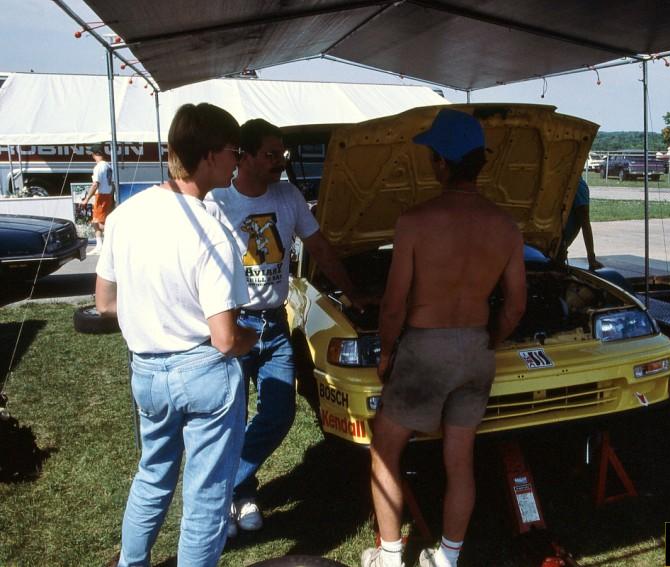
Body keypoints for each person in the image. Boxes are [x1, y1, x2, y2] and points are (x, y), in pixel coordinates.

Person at [95, 103, 258, 567]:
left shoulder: (126, 215)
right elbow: (226, 339)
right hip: (204, 370)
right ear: (209, 155)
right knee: (206, 496)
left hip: (146, 370)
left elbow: (105, 301)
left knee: (152, 474)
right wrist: (250, 338)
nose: (236, 161)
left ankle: (131, 562)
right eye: (234, 152)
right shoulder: (212, 232)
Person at [362, 108, 527, 567]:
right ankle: (446, 559)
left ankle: (390, 555)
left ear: (440, 162)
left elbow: (394, 305)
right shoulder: (506, 226)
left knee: (384, 447)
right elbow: (515, 306)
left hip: (424, 348)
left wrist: (388, 352)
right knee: (460, 458)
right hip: (476, 348)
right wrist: (489, 338)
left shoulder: (415, 221)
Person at [205, 118, 365, 537]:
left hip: (274, 326)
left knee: (280, 412)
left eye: (283, 154)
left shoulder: (288, 195)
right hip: (231, 321)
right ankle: (238, 497)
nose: (280, 162)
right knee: (230, 417)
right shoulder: (216, 201)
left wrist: (352, 292)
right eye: (271, 155)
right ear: (246, 156)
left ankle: (230, 488)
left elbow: (320, 249)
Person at [561, 177, 603, 270]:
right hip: (557, 249)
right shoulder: (578, 185)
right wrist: (591, 259)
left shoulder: (569, 184)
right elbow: (585, 223)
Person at [81, 143, 115, 254]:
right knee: (97, 221)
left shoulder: (98, 167)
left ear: (94, 154)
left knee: (99, 222)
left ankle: (114, 241)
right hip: (108, 194)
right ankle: (100, 245)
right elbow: (112, 184)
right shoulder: (108, 165)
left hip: (101, 196)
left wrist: (86, 199)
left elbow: (95, 184)